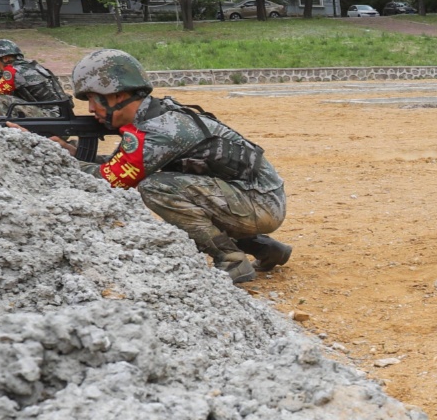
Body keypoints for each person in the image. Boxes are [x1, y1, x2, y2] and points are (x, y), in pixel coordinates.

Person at [66, 48, 290, 285]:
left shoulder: (161, 130)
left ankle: (232, 259)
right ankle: (266, 249)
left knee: (157, 187)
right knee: (178, 190)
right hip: (259, 197)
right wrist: (71, 153)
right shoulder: (156, 118)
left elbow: (113, 179)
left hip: (259, 204)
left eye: (92, 98)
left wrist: (55, 160)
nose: (91, 109)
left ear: (117, 95)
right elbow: (119, 165)